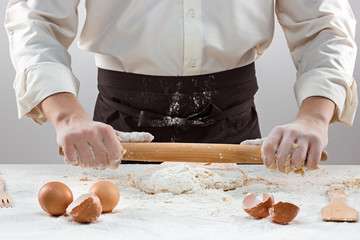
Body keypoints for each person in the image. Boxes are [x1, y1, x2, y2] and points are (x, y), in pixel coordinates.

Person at [5, 1, 357, 172]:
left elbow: (323, 26)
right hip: (116, 136)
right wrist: (67, 117)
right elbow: (35, 21)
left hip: (235, 131)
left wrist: (313, 117)